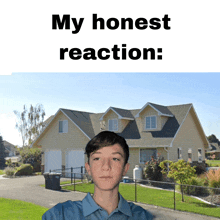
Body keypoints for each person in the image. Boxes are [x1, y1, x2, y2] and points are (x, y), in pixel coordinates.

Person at [42, 131, 153, 219]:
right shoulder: (60, 215)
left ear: (125, 168)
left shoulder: (143, 216)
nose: (106, 166)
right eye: (97, 158)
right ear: (88, 168)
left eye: (115, 159)